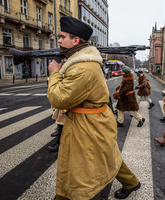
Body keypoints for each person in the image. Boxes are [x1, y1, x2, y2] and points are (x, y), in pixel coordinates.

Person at [47, 16, 140, 200]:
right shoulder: (82, 62)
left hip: (87, 125)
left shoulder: (82, 68)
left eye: (62, 36)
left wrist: (55, 73)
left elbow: (59, 98)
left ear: (75, 41)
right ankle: (131, 183)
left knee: (77, 171)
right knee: (108, 155)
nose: (58, 40)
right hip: (92, 121)